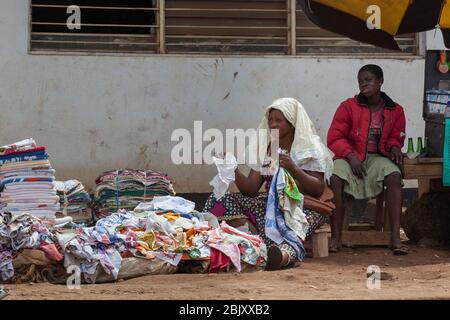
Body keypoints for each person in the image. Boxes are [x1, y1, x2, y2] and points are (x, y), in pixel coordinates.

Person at [203, 98, 334, 270]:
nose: (273, 124)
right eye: (270, 120)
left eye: (279, 120)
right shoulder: (272, 149)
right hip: (272, 207)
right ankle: (244, 242)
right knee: (222, 199)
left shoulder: (308, 149)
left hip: (302, 208)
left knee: (294, 229)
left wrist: (294, 169)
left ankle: (282, 257)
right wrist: (232, 168)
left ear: (292, 123)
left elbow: (317, 189)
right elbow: (250, 189)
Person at [327, 64, 408, 255]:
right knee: (335, 178)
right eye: (360, 81)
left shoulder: (395, 110)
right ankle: (336, 237)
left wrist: (395, 146)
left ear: (380, 81)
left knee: (394, 176)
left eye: (368, 80)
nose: (364, 84)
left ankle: (395, 238)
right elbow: (334, 137)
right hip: (349, 155)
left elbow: (397, 136)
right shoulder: (347, 106)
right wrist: (351, 156)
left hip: (377, 157)